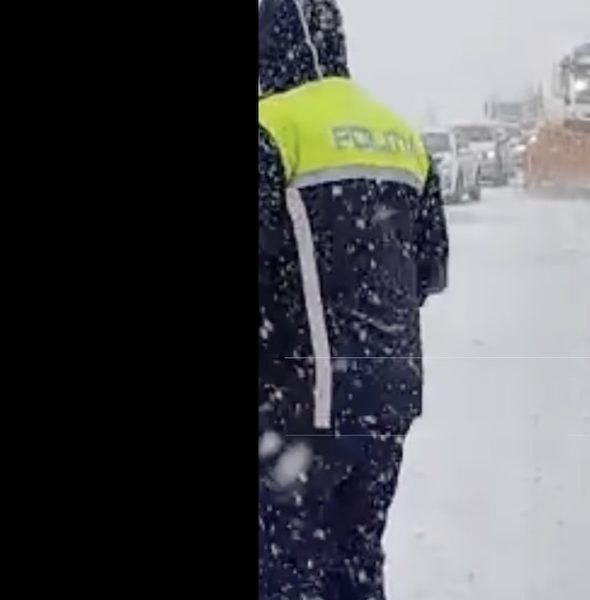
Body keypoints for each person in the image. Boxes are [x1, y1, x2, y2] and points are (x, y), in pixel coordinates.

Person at [257, 1, 449, 598]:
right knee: (354, 564)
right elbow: (431, 270)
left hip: (296, 410)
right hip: (384, 404)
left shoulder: (272, 126)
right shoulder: (400, 134)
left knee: (285, 575)